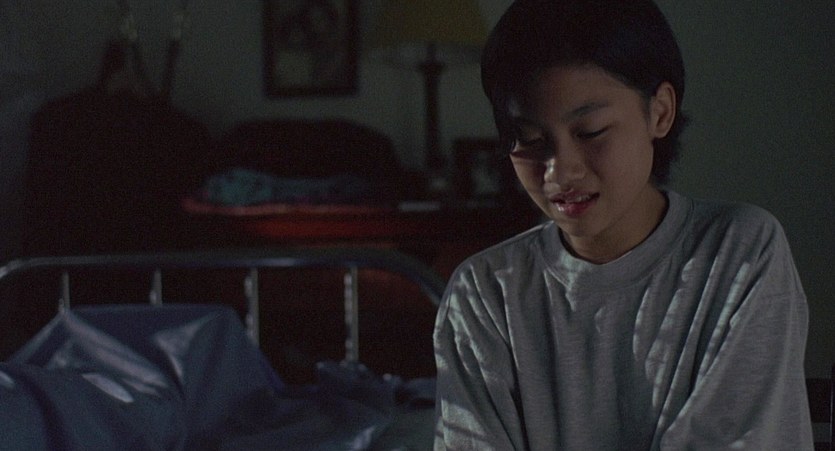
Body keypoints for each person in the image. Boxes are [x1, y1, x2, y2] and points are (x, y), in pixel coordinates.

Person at [432, 0, 813, 449]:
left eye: (591, 132)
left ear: (660, 112)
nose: (559, 172)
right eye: (529, 139)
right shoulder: (485, 293)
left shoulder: (739, 253)